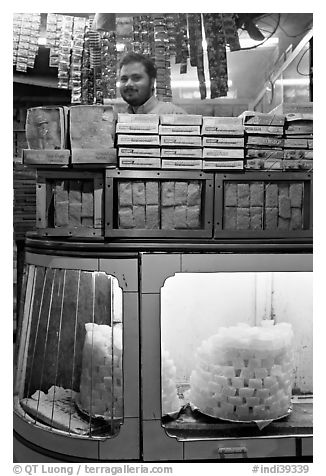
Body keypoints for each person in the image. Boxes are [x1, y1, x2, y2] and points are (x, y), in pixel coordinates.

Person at [118, 52, 186, 114]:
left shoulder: (174, 114)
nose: (128, 84)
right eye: (124, 79)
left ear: (152, 82)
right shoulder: (118, 118)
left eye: (136, 78)